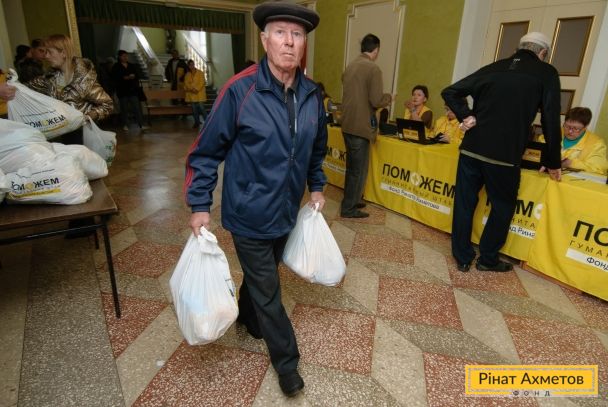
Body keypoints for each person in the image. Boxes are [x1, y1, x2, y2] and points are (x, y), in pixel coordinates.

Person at [184, 1, 326, 398]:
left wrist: (316, 185)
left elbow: (316, 149)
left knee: (262, 276)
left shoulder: (312, 94)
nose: (289, 41)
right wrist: (199, 204)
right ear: (265, 40)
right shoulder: (239, 90)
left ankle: (247, 316)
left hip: (286, 210)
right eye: (280, 33)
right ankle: (287, 363)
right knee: (269, 288)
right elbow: (205, 152)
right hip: (247, 211)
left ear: (303, 44)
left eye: (297, 34)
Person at [441, 31, 562, 273]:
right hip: (504, 155)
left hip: (472, 149)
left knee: (464, 204)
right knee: (502, 207)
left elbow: (450, 91)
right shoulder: (546, 72)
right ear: (543, 53)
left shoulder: (493, 67)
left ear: (519, 48)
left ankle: (462, 257)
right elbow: (550, 117)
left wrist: (466, 115)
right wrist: (552, 161)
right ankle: (487, 259)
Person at [340, 33, 393, 218]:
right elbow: (376, 100)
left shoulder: (350, 66)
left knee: (352, 168)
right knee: (358, 170)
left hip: (347, 123)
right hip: (361, 126)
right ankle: (349, 208)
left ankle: (353, 200)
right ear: (376, 50)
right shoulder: (373, 68)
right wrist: (389, 98)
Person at [27, 34, 113, 144]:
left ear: (63, 53)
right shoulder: (50, 78)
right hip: (61, 135)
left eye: (49, 52)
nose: (46, 56)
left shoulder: (84, 80)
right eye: (44, 52)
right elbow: (27, 87)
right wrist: (11, 82)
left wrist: (86, 117)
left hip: (83, 136)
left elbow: (107, 104)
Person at [558, 107, 607, 175]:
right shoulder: (554, 133)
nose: (570, 131)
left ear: (585, 127)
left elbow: (599, 168)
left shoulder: (597, 144)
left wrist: (571, 163)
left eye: (576, 128)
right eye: (567, 126)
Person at [111, 50, 147, 132]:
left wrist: (133, 76)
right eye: (123, 56)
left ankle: (141, 124)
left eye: (126, 56)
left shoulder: (131, 65)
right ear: (119, 57)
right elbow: (114, 77)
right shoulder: (116, 66)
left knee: (137, 107)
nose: (125, 57)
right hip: (122, 90)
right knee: (124, 108)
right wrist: (124, 78)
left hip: (132, 90)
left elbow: (137, 75)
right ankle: (126, 124)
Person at [183, 59, 207, 129]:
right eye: (190, 65)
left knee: (202, 108)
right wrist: (191, 89)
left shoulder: (200, 73)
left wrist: (196, 89)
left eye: (192, 64)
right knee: (194, 109)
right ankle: (197, 122)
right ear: (188, 66)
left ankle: (207, 121)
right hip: (192, 94)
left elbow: (202, 82)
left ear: (194, 64)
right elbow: (186, 83)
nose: (192, 66)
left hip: (199, 93)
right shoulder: (187, 74)